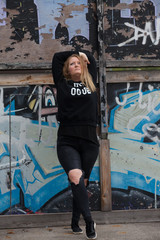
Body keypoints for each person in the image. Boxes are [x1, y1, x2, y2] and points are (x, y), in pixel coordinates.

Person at [52, 50, 99, 240]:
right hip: (67, 140)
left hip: (89, 141)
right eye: (71, 64)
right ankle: (89, 221)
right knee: (76, 176)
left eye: (78, 62)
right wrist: (75, 53)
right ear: (66, 71)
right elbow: (57, 57)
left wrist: (83, 55)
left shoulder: (91, 82)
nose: (76, 65)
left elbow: (92, 59)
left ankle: (74, 220)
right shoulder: (62, 83)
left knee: (80, 183)